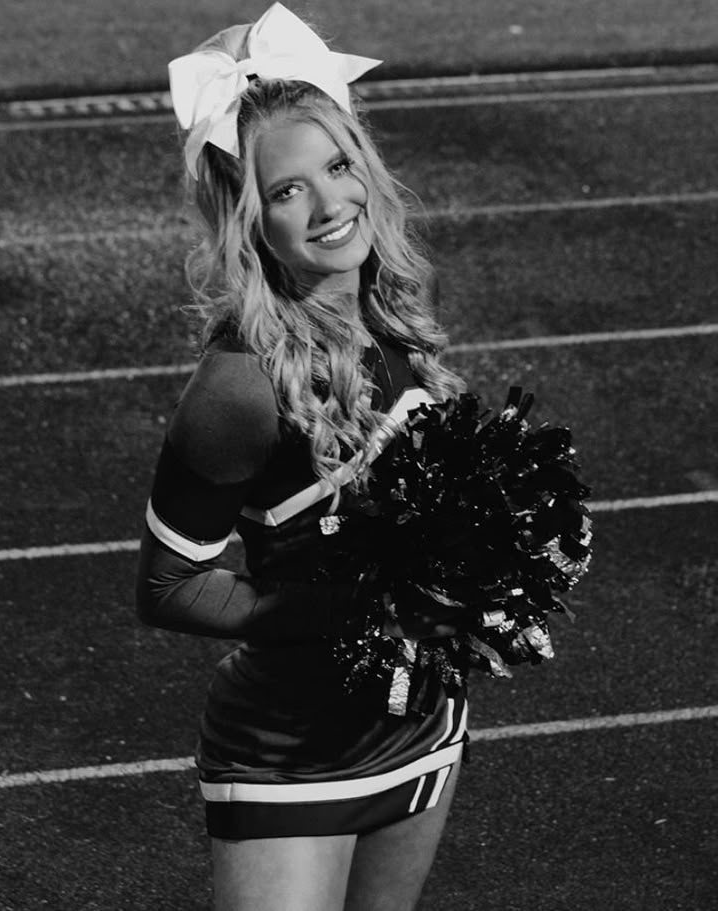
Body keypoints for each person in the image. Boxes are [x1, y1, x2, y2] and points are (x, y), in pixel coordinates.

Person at [136, 5, 468, 909]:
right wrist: (352, 610)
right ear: (250, 218)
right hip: (290, 756)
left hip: (423, 724)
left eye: (336, 165)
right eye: (287, 191)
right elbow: (169, 584)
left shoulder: (396, 303)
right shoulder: (239, 385)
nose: (330, 206)